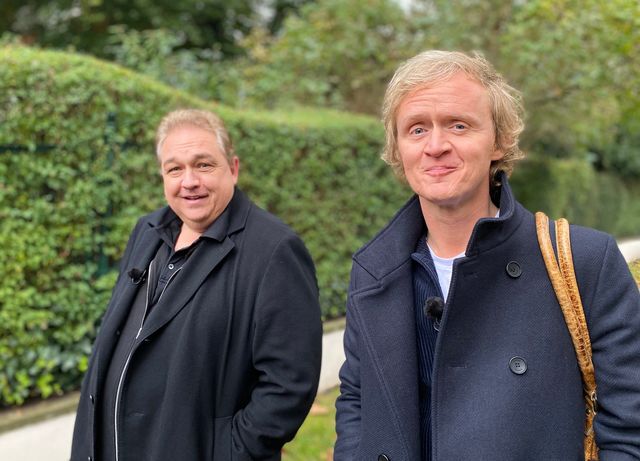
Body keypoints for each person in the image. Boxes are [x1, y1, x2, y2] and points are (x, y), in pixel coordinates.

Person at [334, 50, 640, 460]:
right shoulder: (374, 273)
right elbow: (357, 402)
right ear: (398, 149)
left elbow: (629, 431)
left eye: (458, 125)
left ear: (499, 141)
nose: (436, 146)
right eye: (417, 129)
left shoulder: (588, 262)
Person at [71, 109, 322, 461]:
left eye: (203, 165)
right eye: (175, 169)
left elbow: (289, 385)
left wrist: (225, 452)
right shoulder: (147, 231)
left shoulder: (274, 250)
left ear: (233, 168)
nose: (189, 181)